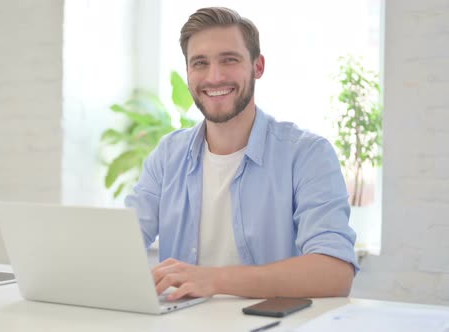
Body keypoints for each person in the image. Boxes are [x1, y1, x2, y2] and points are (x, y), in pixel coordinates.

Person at [125, 7, 358, 301]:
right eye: (200, 63)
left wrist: (215, 279)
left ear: (257, 67)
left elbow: (334, 274)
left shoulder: (307, 154)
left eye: (229, 60)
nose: (215, 76)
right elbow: (120, 247)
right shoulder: (167, 156)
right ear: (188, 72)